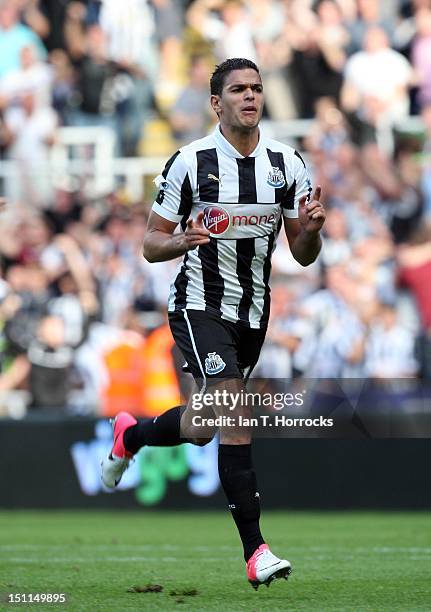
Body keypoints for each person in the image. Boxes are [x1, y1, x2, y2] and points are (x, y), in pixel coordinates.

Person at [101, 57, 325, 589]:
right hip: (198, 305)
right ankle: (256, 551)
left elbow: (304, 253)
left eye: (256, 88)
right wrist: (183, 239)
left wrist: (313, 230)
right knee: (234, 406)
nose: (250, 97)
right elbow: (150, 243)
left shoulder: (287, 164)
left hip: (253, 313)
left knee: (202, 427)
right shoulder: (190, 162)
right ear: (216, 103)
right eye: (238, 90)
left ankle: (130, 436)